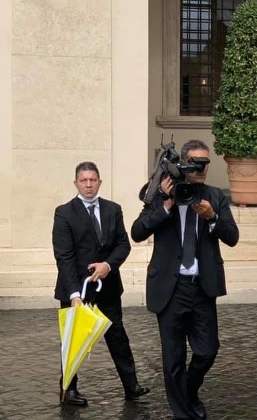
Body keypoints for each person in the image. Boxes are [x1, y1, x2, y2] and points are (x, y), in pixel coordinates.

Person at [131, 139, 239, 420]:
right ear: (183, 164)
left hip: (202, 287)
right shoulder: (162, 194)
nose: (202, 168)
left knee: (207, 351)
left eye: (206, 163)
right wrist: (165, 206)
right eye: (196, 163)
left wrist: (212, 217)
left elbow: (233, 237)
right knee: (173, 359)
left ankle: (188, 393)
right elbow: (138, 231)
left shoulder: (214, 196)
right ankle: (183, 413)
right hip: (170, 288)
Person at [53, 161, 149, 406]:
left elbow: (123, 245)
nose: (88, 185)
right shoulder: (64, 212)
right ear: (76, 182)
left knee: (118, 337)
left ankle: (131, 386)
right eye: (83, 180)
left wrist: (108, 265)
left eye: (92, 180)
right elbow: (64, 256)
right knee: (73, 341)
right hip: (76, 289)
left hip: (108, 288)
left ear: (100, 182)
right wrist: (74, 294)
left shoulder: (112, 209)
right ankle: (69, 390)